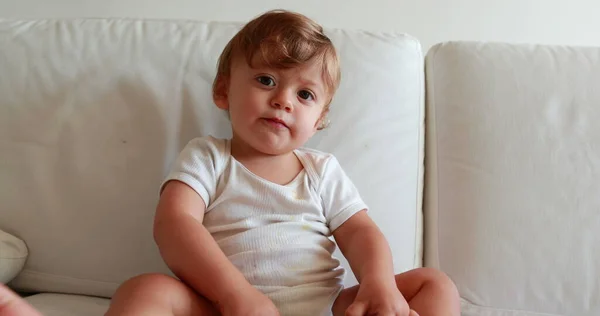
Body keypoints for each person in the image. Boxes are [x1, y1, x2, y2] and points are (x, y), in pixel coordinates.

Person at [105, 9, 460, 316]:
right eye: (266, 80)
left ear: (320, 118)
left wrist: (379, 284)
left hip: (325, 306)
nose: (283, 101)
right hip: (223, 306)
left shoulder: (321, 170)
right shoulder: (209, 157)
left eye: (304, 94)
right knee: (144, 290)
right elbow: (174, 223)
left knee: (434, 284)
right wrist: (235, 295)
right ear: (223, 91)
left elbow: (361, 233)